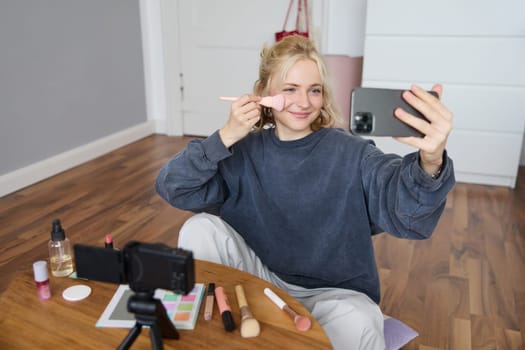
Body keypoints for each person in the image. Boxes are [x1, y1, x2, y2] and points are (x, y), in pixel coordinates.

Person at [155, 35, 455, 349]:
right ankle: (213, 328)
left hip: (332, 295)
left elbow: (408, 214)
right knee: (199, 228)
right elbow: (173, 187)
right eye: (290, 89)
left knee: (362, 321)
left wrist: (430, 160)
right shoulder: (241, 150)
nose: (304, 102)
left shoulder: (353, 152)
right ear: (264, 95)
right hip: (260, 281)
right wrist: (226, 135)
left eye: (314, 90)